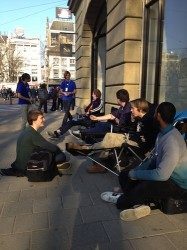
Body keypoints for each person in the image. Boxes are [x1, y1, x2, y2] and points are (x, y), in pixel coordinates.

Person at [101, 102, 187, 221]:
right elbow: (155, 159)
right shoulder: (162, 133)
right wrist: (136, 171)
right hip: (166, 174)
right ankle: (138, 203)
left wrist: (136, 174)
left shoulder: (172, 141)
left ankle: (122, 200)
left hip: (177, 184)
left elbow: (162, 175)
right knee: (124, 175)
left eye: (155, 113)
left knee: (143, 187)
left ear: (158, 116)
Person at [0, 110, 70, 176]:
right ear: (34, 120)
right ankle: (55, 166)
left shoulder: (27, 130)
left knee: (49, 151)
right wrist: (60, 151)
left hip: (19, 164)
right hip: (27, 166)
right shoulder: (33, 134)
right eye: (41, 118)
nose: (44, 120)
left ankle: (55, 165)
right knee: (61, 156)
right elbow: (53, 148)